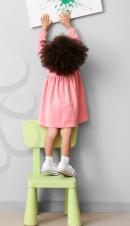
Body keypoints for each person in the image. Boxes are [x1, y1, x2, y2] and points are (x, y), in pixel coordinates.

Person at [38, 13, 89, 177]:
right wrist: (69, 26)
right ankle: (64, 163)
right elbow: (79, 44)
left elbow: (41, 46)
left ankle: (47, 162)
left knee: (51, 132)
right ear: (75, 54)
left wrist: (44, 29)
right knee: (66, 133)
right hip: (69, 106)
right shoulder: (74, 69)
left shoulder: (50, 68)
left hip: (51, 107)